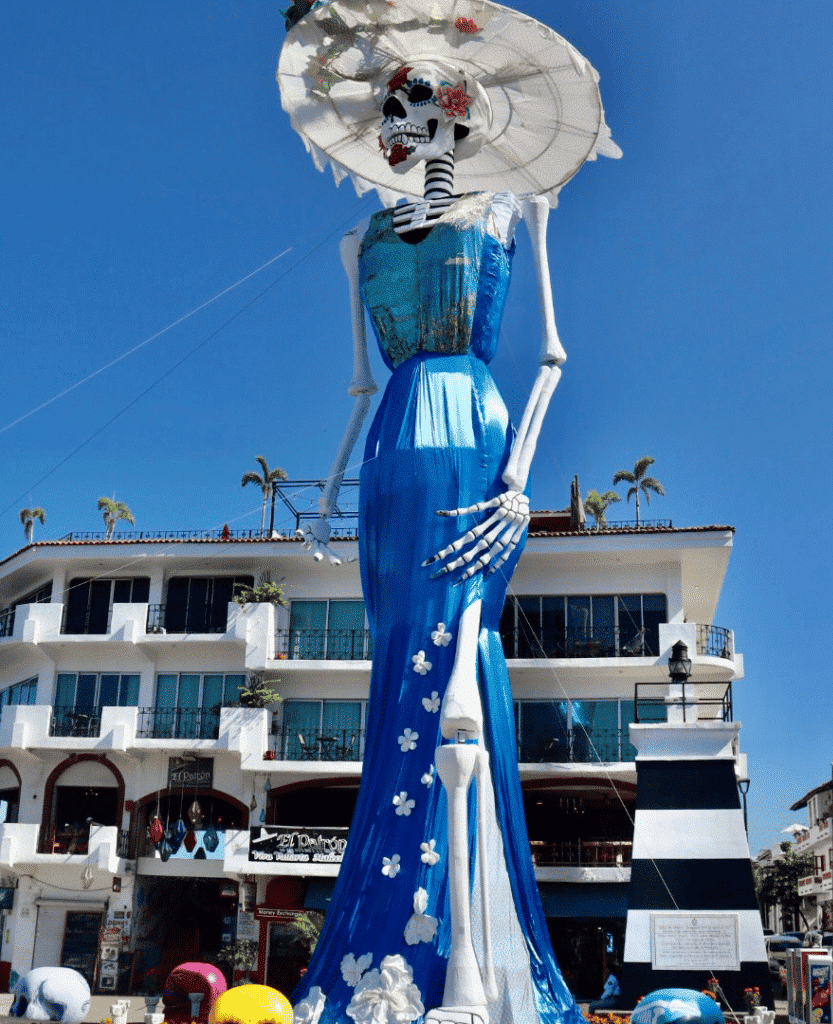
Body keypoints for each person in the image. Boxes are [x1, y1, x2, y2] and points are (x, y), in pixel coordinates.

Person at [277, 3, 621, 1022]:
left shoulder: (514, 210)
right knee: (399, 666)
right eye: (389, 103)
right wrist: (336, 488)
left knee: (460, 651)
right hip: (390, 448)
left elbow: (553, 353)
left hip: (472, 426)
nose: (396, 118)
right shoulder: (361, 240)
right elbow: (354, 383)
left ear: (458, 108)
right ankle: (391, 941)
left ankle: (473, 957)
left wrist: (517, 484)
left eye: (414, 100)